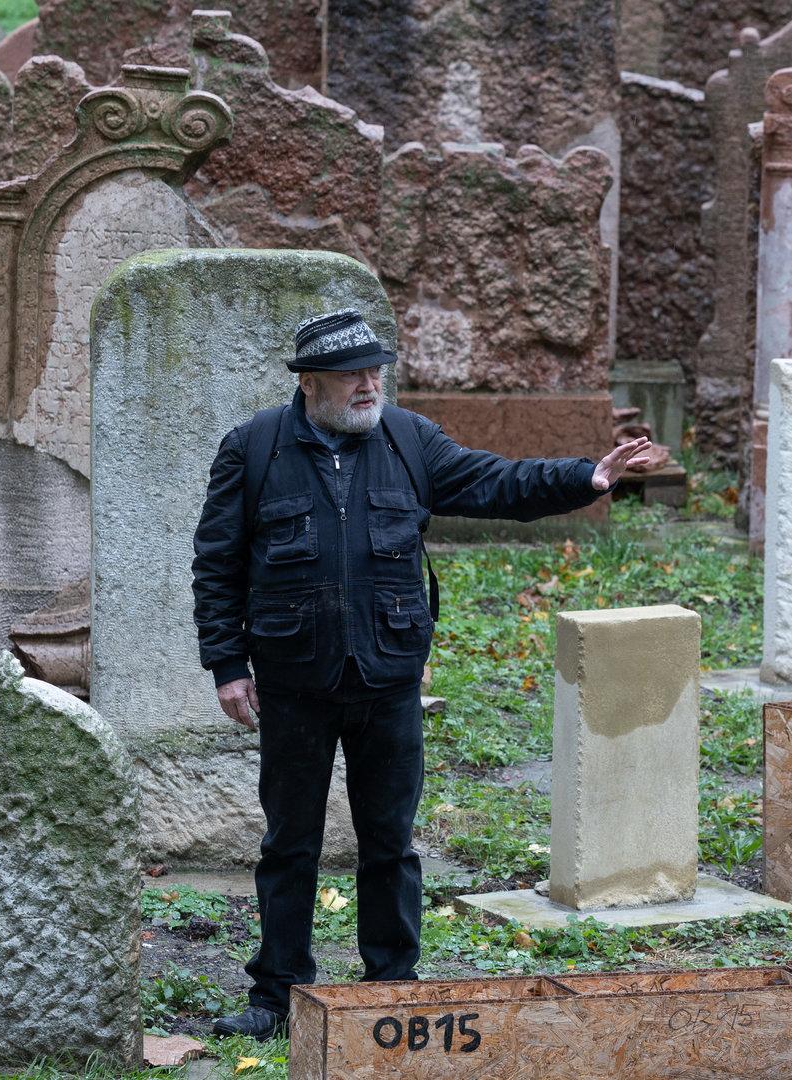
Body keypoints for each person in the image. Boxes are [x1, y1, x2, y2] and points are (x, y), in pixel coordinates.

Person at [191, 307, 651, 1038]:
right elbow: (216, 566)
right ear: (310, 382)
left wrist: (587, 476)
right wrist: (226, 663)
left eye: (377, 369)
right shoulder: (252, 450)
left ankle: (392, 990)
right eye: (353, 373)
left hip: (388, 678)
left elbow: (499, 484)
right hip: (293, 682)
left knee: (390, 843)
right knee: (289, 845)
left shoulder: (410, 440)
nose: (370, 383)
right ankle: (275, 995)